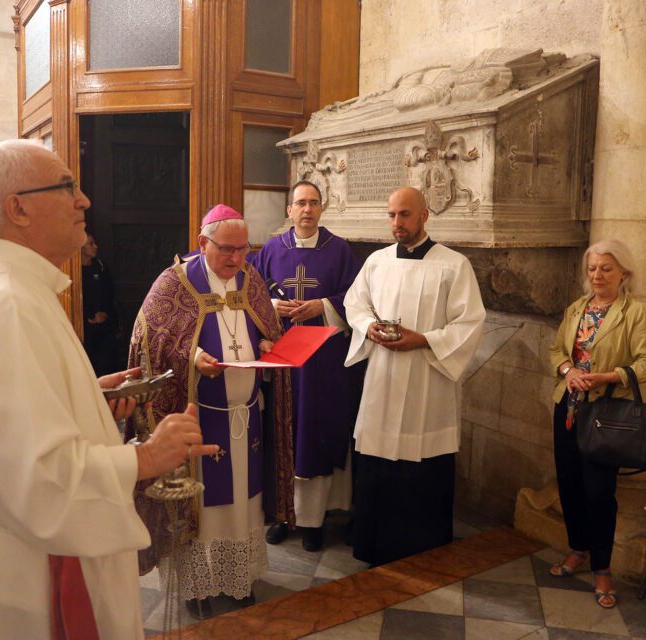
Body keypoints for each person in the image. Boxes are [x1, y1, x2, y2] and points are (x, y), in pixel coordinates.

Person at [0, 138, 217, 639]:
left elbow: (17, 428)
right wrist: (146, 458)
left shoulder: (7, 287)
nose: (84, 201)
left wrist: (86, 393)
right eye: (68, 187)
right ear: (17, 208)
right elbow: (36, 475)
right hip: (35, 578)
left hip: (36, 557)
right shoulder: (6, 302)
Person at [129, 205, 293, 617]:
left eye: (244, 249)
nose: (237, 259)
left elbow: (264, 327)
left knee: (243, 498)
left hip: (247, 414)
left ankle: (238, 580)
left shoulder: (249, 278)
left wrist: (271, 346)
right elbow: (151, 343)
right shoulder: (174, 283)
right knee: (202, 505)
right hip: (199, 417)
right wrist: (195, 357)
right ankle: (195, 586)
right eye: (227, 250)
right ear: (203, 243)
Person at [343, 187, 486, 566]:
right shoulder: (376, 262)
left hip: (428, 376)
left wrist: (424, 339)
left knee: (423, 460)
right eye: (391, 215)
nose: (396, 224)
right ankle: (372, 544)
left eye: (404, 215)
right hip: (383, 377)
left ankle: (421, 548)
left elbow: (471, 322)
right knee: (377, 458)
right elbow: (355, 304)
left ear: (424, 215)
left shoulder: (453, 265)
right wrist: (369, 327)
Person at [547, 239, 646, 609]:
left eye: (606, 268)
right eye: (593, 268)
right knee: (569, 484)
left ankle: (602, 568)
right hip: (568, 407)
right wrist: (568, 370)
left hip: (606, 415)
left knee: (598, 493)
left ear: (623, 273)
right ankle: (577, 548)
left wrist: (606, 377)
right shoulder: (577, 308)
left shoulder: (637, 313)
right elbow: (557, 351)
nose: (597, 275)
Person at [254, 181, 362, 552]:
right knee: (284, 431)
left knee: (318, 431)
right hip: (284, 358)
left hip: (325, 362)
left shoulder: (340, 251)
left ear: (322, 208)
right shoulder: (271, 249)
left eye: (314, 203)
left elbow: (358, 298)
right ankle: (285, 514)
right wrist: (271, 303)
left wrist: (324, 306)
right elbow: (250, 294)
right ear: (289, 210)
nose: (307, 210)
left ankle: (316, 519)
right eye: (300, 203)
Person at [81, 232, 121, 376]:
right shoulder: (76, 271)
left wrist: (110, 316)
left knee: (107, 363)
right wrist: (90, 315)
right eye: (90, 244)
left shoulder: (100, 266)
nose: (95, 247)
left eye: (95, 243)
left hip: (106, 323)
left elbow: (109, 293)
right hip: (86, 326)